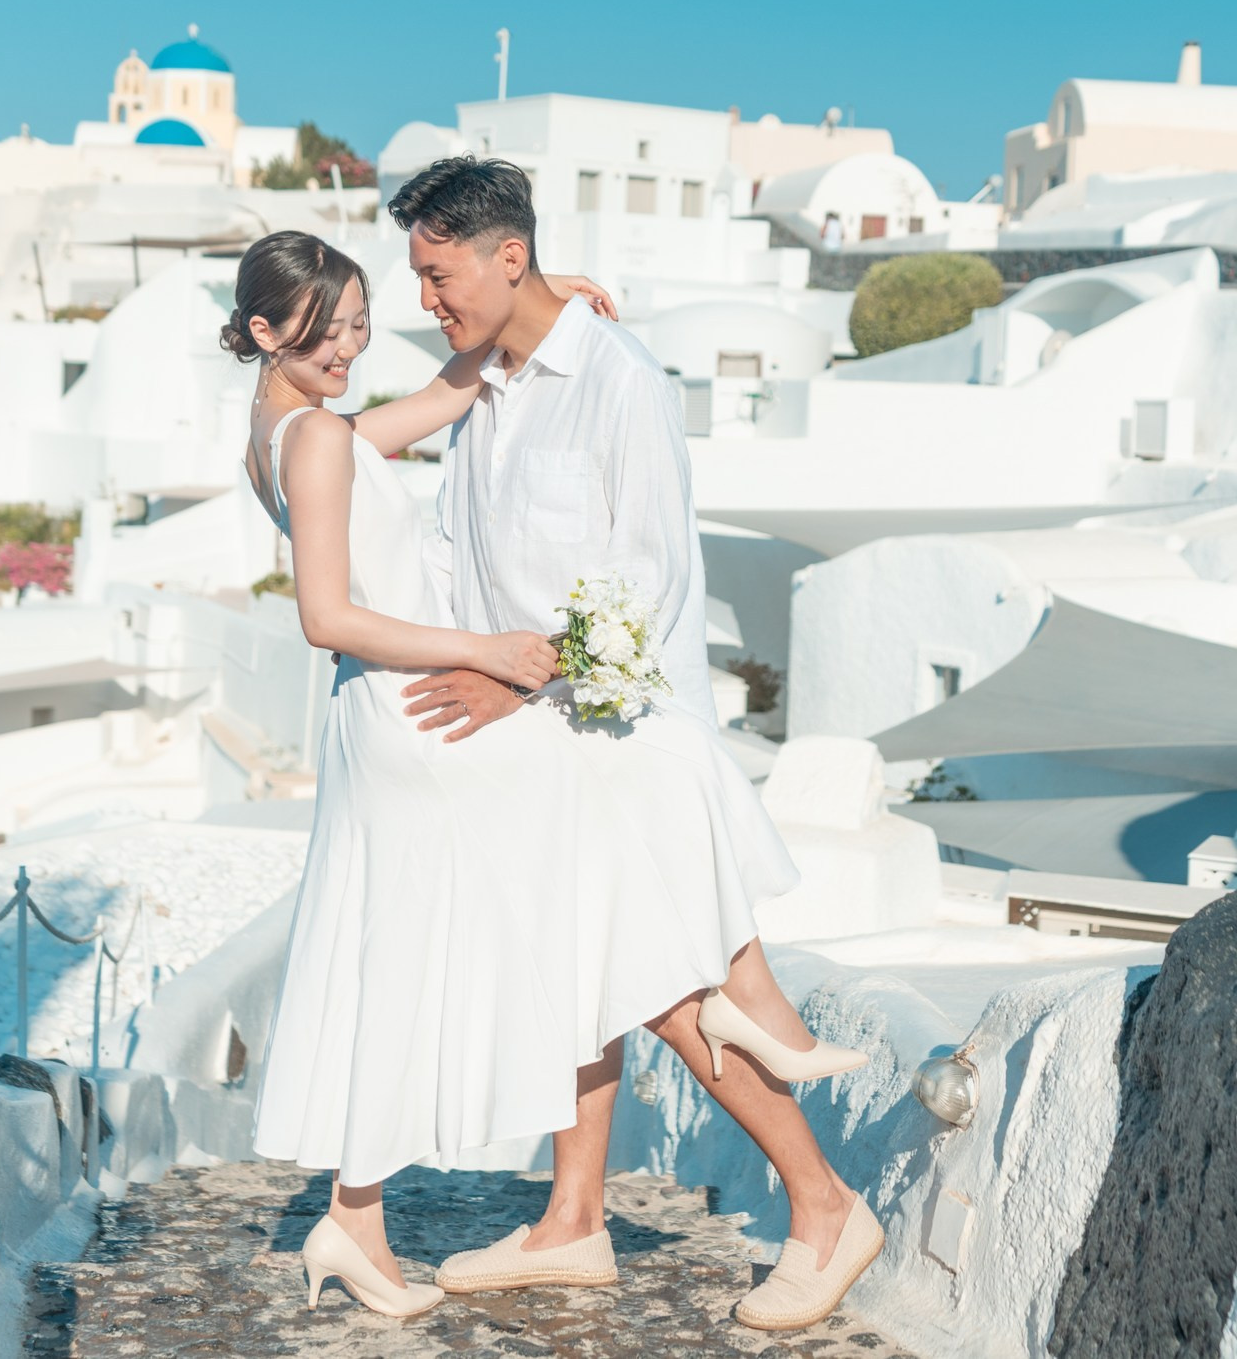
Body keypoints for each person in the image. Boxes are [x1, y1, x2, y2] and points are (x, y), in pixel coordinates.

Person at [388, 157, 882, 1334]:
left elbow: (650, 580)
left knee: (671, 989)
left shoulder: (619, 382)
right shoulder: (485, 387)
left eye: (437, 271)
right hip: (536, 742)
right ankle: (571, 1223)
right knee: (576, 975)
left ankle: (825, 1211)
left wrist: (521, 677)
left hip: (621, 733)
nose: (426, 300)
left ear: (505, 256)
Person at [234, 232, 618, 1319]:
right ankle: (369, 1213)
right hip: (408, 717)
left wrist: (541, 302)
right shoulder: (313, 436)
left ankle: (358, 1217)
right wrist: (487, 652)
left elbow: (442, 398)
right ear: (265, 332)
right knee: (438, 947)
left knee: (398, 961)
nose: (350, 349)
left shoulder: (292, 427)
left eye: (359, 326)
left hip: (382, 720)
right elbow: (326, 617)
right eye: (326, 333)